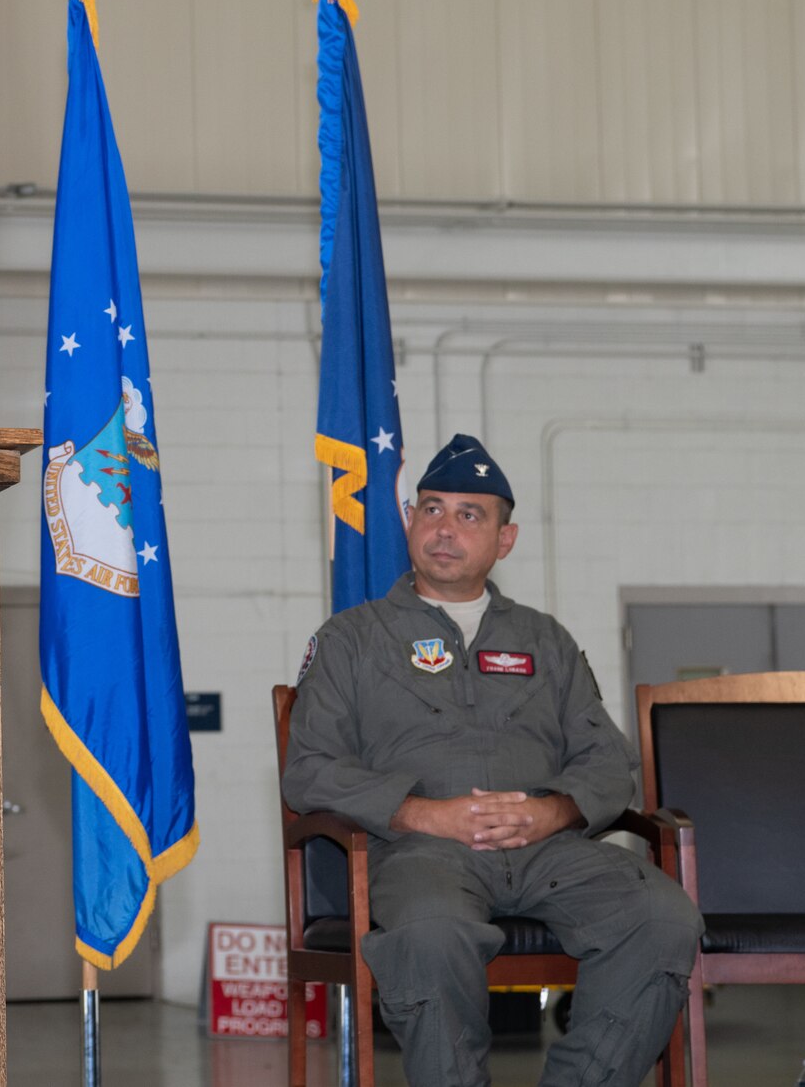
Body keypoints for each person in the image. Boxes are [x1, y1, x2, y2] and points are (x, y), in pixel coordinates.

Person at [282, 434, 702, 1087]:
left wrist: (551, 811)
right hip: (421, 852)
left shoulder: (545, 639)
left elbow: (608, 762)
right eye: (431, 509)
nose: (445, 528)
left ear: (504, 539)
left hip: (549, 851)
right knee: (430, 935)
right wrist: (423, 812)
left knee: (663, 915)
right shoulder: (352, 638)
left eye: (469, 514)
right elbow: (309, 766)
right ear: (412, 521)